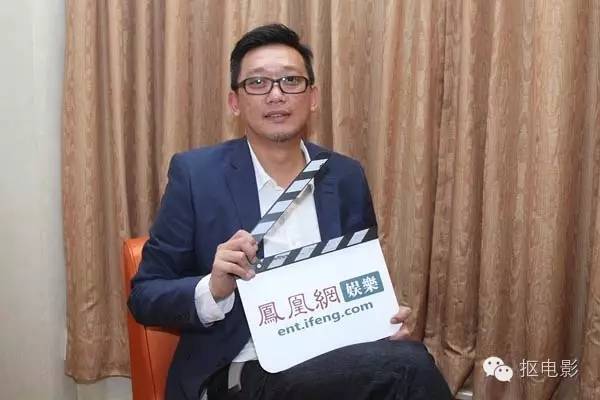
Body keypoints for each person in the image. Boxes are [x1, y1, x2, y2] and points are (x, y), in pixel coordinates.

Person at [128, 23, 452, 400]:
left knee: (404, 360)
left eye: (291, 81)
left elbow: (359, 277)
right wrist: (213, 288)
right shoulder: (196, 175)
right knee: (409, 367)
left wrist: (382, 318)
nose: (276, 95)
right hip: (243, 371)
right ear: (235, 102)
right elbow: (145, 296)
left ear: (312, 96)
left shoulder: (344, 176)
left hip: (338, 361)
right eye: (257, 83)